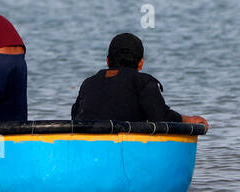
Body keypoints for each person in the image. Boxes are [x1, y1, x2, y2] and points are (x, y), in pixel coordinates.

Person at [72, 33, 207, 130]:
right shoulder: (143, 82)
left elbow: (75, 115)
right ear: (141, 63)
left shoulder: (88, 83)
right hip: (122, 148)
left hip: (83, 147)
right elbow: (160, 117)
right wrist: (189, 120)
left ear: (108, 61)